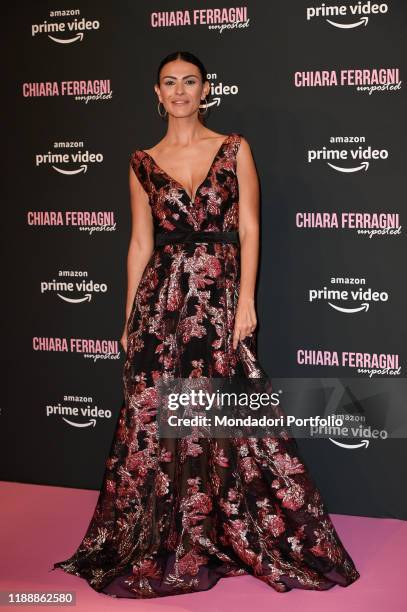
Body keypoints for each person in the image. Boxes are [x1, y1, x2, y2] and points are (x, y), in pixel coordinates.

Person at [52, 50, 360, 598]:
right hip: (160, 306)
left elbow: (250, 228)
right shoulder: (141, 160)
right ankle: (174, 535)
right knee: (157, 422)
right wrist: (128, 318)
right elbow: (140, 244)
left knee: (233, 417)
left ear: (205, 88)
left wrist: (247, 301)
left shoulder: (233, 148)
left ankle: (234, 529)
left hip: (219, 304)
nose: (178, 91)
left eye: (188, 82)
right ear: (157, 93)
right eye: (168, 83)